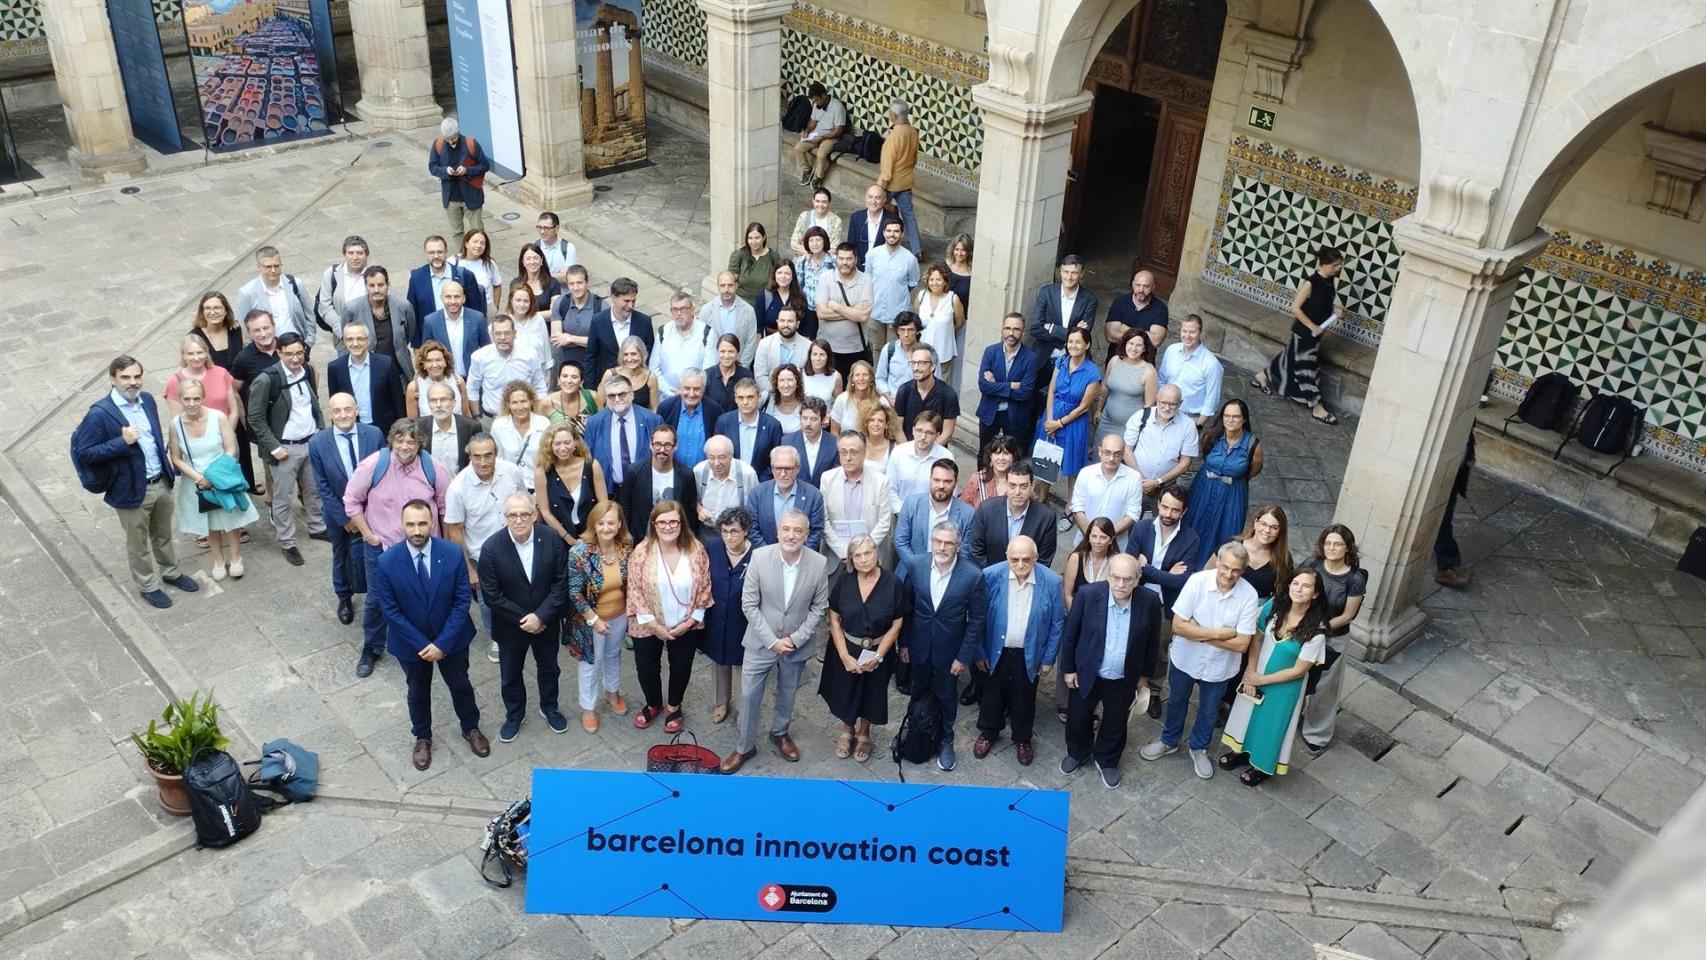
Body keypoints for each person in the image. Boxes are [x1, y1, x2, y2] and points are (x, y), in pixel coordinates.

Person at [371, 499, 488, 771]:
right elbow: (390, 610)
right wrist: (424, 645)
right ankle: (422, 737)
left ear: (432, 522)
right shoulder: (387, 562)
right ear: (401, 525)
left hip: (452, 640)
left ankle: (470, 727)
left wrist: (442, 643)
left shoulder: (452, 553)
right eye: (410, 524)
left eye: (422, 523)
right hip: (411, 645)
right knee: (417, 691)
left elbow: (462, 601)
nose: (417, 530)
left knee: (460, 684)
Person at [71, 357, 196, 608]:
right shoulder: (99, 414)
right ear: (112, 380)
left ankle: (170, 572)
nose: (133, 382)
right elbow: (84, 453)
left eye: (137, 376)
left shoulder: (147, 400)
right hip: (131, 489)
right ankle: (148, 585)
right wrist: (121, 442)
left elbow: (153, 439)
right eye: (126, 377)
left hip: (160, 481)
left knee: (163, 534)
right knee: (138, 544)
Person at [721, 508, 832, 773]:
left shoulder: (819, 563)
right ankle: (745, 746)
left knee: (787, 692)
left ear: (806, 534)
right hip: (761, 641)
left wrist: (796, 639)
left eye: (798, 530)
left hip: (796, 644)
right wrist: (772, 641)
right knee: (748, 695)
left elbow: (819, 607)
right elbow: (749, 604)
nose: (791, 535)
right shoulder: (759, 557)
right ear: (778, 531)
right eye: (786, 529)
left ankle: (780, 732)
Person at [1139, 542, 1259, 780]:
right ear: (1218, 562)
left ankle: (1199, 747)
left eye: (1235, 570)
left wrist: (1198, 632)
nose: (1228, 574)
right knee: (1176, 701)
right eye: (1225, 567)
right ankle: (1169, 740)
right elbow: (1178, 626)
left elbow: (1242, 644)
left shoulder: (1249, 595)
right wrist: (1221, 634)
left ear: (1243, 570)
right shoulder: (1197, 582)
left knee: (1209, 710)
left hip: (1221, 667)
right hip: (1186, 659)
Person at [344, 420, 452, 678]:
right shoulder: (373, 465)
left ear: (419, 444)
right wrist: (368, 535)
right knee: (377, 600)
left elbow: (446, 507)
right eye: (400, 440)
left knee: (427, 594)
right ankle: (372, 648)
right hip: (383, 547)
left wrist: (445, 545)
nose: (405, 446)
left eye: (411, 441)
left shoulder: (433, 467)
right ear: (391, 440)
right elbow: (351, 501)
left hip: (424, 546)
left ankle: (427, 640)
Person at [1059, 554, 1164, 788]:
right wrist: (1068, 669)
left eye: (1128, 579)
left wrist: (1144, 676)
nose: (1121, 584)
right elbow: (1071, 634)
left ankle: (1107, 760)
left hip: (1124, 677)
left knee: (1116, 722)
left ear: (1137, 579)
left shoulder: (1149, 601)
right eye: (1116, 577)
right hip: (1088, 673)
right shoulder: (1087, 595)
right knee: (1078, 717)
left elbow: (1152, 642)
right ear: (1108, 575)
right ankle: (1078, 752)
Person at [1221, 567, 1329, 786]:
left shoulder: (1317, 630)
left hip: (1285, 687)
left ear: (1315, 593)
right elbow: (1257, 638)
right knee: (1245, 714)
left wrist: (1261, 681)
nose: (1299, 589)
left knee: (1271, 725)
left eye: (1306, 586)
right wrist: (1251, 672)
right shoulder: (1274, 605)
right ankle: (1240, 751)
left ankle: (1261, 765)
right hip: (1257, 671)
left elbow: (1299, 670)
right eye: (1295, 583)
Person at [479, 492, 571, 741]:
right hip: (510, 627)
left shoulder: (551, 539)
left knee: (550, 669)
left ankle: (549, 707)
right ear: (505, 516)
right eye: (513, 515)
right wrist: (527, 619)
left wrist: (541, 616)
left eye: (524, 514)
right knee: (510, 674)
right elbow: (492, 596)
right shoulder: (491, 548)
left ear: (534, 514)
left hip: (546, 623)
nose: (518, 520)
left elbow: (560, 583)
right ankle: (514, 715)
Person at [971, 536, 1064, 768]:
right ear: (1006, 556)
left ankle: (1022, 738)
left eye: (1026, 559)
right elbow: (977, 618)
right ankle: (988, 732)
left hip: (1029, 652)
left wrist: (1048, 658)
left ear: (1036, 557)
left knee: (1025, 697)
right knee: (991, 693)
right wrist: (979, 651)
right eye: (1014, 559)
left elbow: (1057, 624)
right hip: (996, 649)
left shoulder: (1052, 581)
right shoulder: (990, 575)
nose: (1020, 565)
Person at [900, 522, 986, 771]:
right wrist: (904, 644)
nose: (942, 547)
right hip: (919, 646)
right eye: (938, 541)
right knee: (917, 690)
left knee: (947, 696)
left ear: (958, 546)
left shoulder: (972, 575)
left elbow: (977, 620)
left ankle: (946, 739)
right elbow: (907, 608)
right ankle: (914, 730)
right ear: (932, 542)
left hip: (951, 652)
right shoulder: (916, 565)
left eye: (948, 543)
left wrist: (964, 657)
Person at [627, 501, 713, 733]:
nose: (668, 526)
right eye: (662, 522)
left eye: (673, 521)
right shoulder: (642, 551)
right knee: (646, 669)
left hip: (686, 624)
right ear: (654, 524)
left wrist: (690, 622)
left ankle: (674, 706)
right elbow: (634, 589)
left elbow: (705, 587)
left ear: (681, 523)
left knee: (681, 667)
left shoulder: (695, 549)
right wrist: (655, 626)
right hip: (648, 623)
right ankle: (653, 703)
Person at [445, 432, 531, 665]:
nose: (483, 462)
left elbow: (524, 501)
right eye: (477, 456)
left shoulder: (511, 471)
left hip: (517, 545)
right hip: (482, 556)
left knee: (521, 589)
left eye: (488, 455)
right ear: (469, 456)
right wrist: (468, 569)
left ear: (495, 454)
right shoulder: (457, 488)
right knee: (488, 602)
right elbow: (455, 531)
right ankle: (497, 639)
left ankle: (523, 626)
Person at [820, 533, 908, 761]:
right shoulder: (844, 581)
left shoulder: (893, 582)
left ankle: (864, 733)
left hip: (878, 650)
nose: (863, 559)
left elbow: (897, 623)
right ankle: (847, 729)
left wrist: (878, 656)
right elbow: (834, 617)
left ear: (876, 553)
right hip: (847, 647)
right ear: (851, 559)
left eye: (867, 553)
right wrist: (843, 655)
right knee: (846, 690)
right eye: (857, 555)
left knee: (871, 693)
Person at [246, 332, 327, 565]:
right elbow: (255, 418)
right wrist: (274, 447)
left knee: (313, 490)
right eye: (289, 354)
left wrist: (320, 430)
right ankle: (287, 542)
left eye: (299, 353)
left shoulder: (307, 370)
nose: (295, 358)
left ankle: (317, 527)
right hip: (285, 449)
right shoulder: (266, 380)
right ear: (279, 353)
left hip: (311, 442)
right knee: (283, 499)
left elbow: (313, 403)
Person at [166, 377, 256, 580]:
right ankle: (218, 559)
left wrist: (212, 477)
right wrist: (199, 478)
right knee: (209, 522)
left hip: (221, 476)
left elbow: (230, 449)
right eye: (187, 399)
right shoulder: (176, 424)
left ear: (203, 398)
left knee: (231, 519)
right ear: (180, 399)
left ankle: (235, 558)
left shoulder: (218, 417)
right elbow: (176, 457)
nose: (191, 404)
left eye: (196, 398)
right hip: (196, 481)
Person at [1127, 483, 1202, 716]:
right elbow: (1130, 566)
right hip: (1137, 597)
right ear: (1158, 504)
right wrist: (1166, 574)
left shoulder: (1191, 539)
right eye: (1165, 507)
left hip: (1166, 604)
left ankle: (1154, 692)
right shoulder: (1141, 528)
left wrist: (1147, 569)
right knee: (1130, 641)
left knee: (1160, 651)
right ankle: (1127, 683)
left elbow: (1182, 582)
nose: (1168, 514)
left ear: (1184, 511)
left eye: (1175, 510)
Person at [308, 394, 384, 624]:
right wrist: (345, 517)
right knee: (341, 555)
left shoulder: (374, 434)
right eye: (337, 411)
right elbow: (322, 486)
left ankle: (381, 593)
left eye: (348, 409)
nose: (343, 415)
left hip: (372, 510)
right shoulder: (318, 444)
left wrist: (366, 513)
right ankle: (344, 596)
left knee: (379, 551)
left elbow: (383, 475)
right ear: (330, 414)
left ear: (357, 410)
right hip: (338, 514)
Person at [1251, 245, 1347, 425]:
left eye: (1339, 265)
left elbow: (1322, 303)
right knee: (1307, 369)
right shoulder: (1311, 283)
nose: (1338, 268)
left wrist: (1335, 310)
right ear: (1322, 263)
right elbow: (1295, 308)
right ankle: (1317, 407)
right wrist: (1312, 326)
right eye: (1335, 265)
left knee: (1288, 358)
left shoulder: (1329, 281)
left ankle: (1262, 376)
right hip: (1304, 334)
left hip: (1315, 334)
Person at [1300, 524, 1368, 753]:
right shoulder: (1312, 565)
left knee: (1324, 687)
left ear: (1348, 548)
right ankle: (1289, 717)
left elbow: (1348, 615)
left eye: (1337, 544)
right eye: (1328, 543)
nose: (1331, 548)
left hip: (1333, 638)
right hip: (1304, 632)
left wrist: (1320, 628)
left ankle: (1317, 734)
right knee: (1296, 677)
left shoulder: (1354, 579)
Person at [565, 501, 631, 732]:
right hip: (591, 619)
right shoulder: (579, 553)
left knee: (613, 655)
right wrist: (594, 620)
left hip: (620, 615)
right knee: (591, 663)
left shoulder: (626, 549)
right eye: (601, 523)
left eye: (611, 523)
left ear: (619, 524)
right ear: (593, 524)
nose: (606, 528)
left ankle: (612, 692)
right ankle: (588, 707)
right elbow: (574, 592)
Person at [1184, 398, 1263, 567]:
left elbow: (1255, 468)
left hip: (1232, 492)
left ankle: (1216, 567)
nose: (1230, 420)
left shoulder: (1253, 445)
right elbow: (1206, 457)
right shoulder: (1211, 437)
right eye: (1227, 416)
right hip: (1205, 487)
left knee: (1226, 530)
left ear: (1244, 419)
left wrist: (1236, 478)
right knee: (1195, 522)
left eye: (1235, 416)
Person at [1034, 327, 1102, 506]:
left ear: (1087, 345)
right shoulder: (1061, 361)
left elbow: (1084, 407)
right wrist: (1050, 420)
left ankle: (1071, 506)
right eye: (1070, 341)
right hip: (1052, 414)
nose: (1073, 345)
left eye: (1078, 342)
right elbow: (1051, 391)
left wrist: (1059, 424)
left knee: (1073, 466)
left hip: (1073, 422)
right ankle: (1042, 498)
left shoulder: (1093, 373)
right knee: (1047, 458)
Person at [1026, 254, 1097, 423]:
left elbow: (1083, 336)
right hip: (1043, 357)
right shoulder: (1047, 292)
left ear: (1081, 274)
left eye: (1074, 272)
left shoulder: (1089, 300)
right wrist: (1070, 334)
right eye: (1066, 272)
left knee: (1067, 401)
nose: (1069, 277)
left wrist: (1052, 328)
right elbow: (1035, 327)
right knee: (1031, 400)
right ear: (1060, 272)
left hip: (1071, 360)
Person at [699, 507, 754, 724]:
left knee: (742, 664)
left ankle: (743, 707)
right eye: (724, 531)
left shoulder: (757, 554)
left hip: (743, 620)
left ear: (745, 531)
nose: (729, 537)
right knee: (718, 660)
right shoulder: (713, 546)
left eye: (734, 531)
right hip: (717, 616)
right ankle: (720, 702)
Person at [1122, 384, 1199, 514]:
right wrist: (1141, 479)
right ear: (1157, 398)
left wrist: (1158, 482)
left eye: (1172, 404)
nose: (1167, 408)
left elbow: (1185, 463)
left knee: (1163, 521)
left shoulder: (1188, 425)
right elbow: (1126, 450)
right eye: (1163, 402)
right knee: (1128, 518)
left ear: (1180, 403)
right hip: (1135, 482)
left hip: (1166, 487)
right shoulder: (1141, 416)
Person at [820, 430, 895, 564]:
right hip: (836, 558)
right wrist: (844, 552)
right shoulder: (827, 479)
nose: (848, 457)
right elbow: (824, 522)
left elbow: (884, 523)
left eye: (853, 452)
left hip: (870, 558)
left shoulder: (880, 481)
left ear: (864, 453)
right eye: (843, 452)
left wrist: (863, 551)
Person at [968, 460, 1058, 568]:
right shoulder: (986, 510)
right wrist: (996, 576)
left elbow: (1043, 561)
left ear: (1032, 486)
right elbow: (976, 552)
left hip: (1026, 576)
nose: (1017, 492)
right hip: (990, 576)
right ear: (1006, 485)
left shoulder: (1046, 518)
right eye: (1012, 486)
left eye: (1023, 486)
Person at [584, 377, 662, 501]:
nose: (617, 399)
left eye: (622, 394)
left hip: (644, 491)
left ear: (632, 394)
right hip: (609, 493)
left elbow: (661, 457)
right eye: (611, 396)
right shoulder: (594, 423)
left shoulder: (652, 420)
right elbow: (588, 460)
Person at [618, 423, 699, 543]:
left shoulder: (686, 475)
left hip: (675, 539)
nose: (662, 450)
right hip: (642, 538)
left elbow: (690, 513)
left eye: (667, 445)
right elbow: (625, 507)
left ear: (675, 446)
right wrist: (626, 536)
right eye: (657, 444)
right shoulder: (634, 471)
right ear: (650, 445)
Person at [535, 422, 606, 548]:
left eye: (567, 442)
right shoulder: (542, 472)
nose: (563, 448)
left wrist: (591, 535)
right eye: (557, 444)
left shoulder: (592, 466)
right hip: (557, 537)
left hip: (592, 535)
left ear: (575, 443)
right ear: (550, 445)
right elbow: (545, 512)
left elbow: (604, 505)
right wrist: (570, 540)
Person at [234, 246, 316, 353]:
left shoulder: (295, 284)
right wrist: (255, 351)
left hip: (296, 347)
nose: (273, 270)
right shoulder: (247, 293)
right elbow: (243, 327)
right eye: (268, 267)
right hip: (266, 351)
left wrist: (308, 342)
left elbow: (309, 314)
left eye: (276, 266)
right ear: (259, 267)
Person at [340, 265, 417, 380]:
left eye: (380, 285)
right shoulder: (352, 309)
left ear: (388, 285)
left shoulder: (403, 306)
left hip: (398, 373)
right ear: (366, 286)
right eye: (372, 285)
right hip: (367, 374)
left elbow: (408, 333)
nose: (376, 290)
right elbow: (346, 338)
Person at [1069, 434, 1144, 550]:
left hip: (1116, 546)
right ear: (1100, 452)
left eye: (1116, 454)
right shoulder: (1086, 473)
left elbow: (1133, 514)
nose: (1111, 458)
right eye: (1107, 453)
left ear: (1123, 454)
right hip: (1084, 541)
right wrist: (1091, 536)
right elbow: (1077, 508)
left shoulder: (1134, 478)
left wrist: (1107, 536)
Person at [894, 458, 972, 569]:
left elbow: (964, 553)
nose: (941, 486)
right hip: (911, 571)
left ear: (956, 483)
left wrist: (943, 571)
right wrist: (920, 568)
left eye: (947, 481)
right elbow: (900, 542)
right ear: (930, 479)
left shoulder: (968, 514)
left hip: (949, 574)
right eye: (936, 480)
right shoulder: (911, 504)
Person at [327, 323, 406, 431]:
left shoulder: (386, 363)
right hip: (352, 429)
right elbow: (334, 403)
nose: (355, 343)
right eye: (350, 339)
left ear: (368, 340)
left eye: (360, 339)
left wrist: (401, 428)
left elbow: (398, 400)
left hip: (385, 429)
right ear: (344, 341)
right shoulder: (335, 368)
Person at [469, 315, 548, 420]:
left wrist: (539, 415)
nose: (502, 338)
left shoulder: (530, 355)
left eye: (507, 333)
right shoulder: (479, 357)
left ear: (514, 334)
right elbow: (472, 388)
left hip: (524, 418)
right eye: (498, 333)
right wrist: (477, 417)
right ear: (492, 335)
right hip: (491, 419)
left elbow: (539, 386)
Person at [407, 235, 487, 338]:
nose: (436, 256)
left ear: (446, 252)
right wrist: (417, 343)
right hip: (431, 339)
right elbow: (412, 314)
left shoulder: (465, 276)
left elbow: (476, 312)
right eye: (431, 253)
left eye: (440, 252)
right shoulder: (416, 277)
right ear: (425, 254)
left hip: (461, 336)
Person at [746, 446, 825, 550]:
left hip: (801, 557)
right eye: (778, 468)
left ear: (798, 469)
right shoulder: (757, 494)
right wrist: (770, 555)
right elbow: (752, 529)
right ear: (772, 469)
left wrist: (797, 555)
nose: (783, 474)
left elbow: (816, 532)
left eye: (788, 469)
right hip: (766, 557)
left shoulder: (813, 496)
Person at [817, 243, 874, 378]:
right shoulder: (826, 278)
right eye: (841, 258)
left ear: (855, 259)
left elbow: (863, 316)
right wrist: (853, 311)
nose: (844, 263)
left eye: (849, 259)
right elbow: (821, 313)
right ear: (836, 259)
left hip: (856, 348)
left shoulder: (866, 280)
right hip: (828, 348)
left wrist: (837, 307)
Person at [864, 220, 919, 360]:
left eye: (896, 231)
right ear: (883, 233)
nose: (892, 234)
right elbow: (868, 280)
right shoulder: (872, 255)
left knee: (894, 351)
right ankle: (877, 374)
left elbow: (912, 283)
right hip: (875, 311)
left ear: (902, 234)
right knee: (876, 348)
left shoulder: (910, 259)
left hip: (897, 313)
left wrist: (896, 293)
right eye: (888, 231)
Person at [428, 116, 488, 244]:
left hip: (471, 195)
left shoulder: (471, 143)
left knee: (478, 232)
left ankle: (480, 255)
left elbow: (485, 165)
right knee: (457, 232)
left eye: (453, 138)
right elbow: (432, 167)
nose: (451, 142)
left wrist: (467, 170)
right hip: (451, 198)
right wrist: (445, 171)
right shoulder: (438, 144)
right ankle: (462, 255)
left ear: (458, 132)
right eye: (447, 139)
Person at [1094, 329, 1159, 444]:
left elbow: (1149, 405)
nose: (1134, 348)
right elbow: (1105, 387)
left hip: (1131, 428)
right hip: (1106, 422)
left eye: (1139, 345)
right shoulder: (1114, 361)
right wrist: (1098, 410)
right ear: (1125, 344)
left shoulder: (1149, 371)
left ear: (1144, 348)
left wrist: (1140, 428)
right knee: (1099, 453)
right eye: (1131, 343)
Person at [1158, 314, 1223, 426]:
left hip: (1189, 419)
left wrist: (1198, 425)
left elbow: (1211, 401)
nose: (1187, 336)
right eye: (1184, 331)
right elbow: (1162, 380)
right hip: (1165, 411)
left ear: (1201, 333)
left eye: (1192, 332)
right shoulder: (1171, 350)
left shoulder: (1211, 364)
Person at [714, 379, 783, 482]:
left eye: (750, 397)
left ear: (759, 397)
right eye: (741, 398)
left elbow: (775, 460)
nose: (745, 402)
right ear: (735, 398)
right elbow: (717, 453)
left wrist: (758, 483)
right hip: (729, 482)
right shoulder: (723, 422)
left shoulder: (772, 426)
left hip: (761, 484)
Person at [586, 277, 652, 386]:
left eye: (633, 301)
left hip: (636, 384)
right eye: (626, 301)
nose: (630, 306)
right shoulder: (598, 321)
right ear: (614, 298)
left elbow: (648, 356)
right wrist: (590, 390)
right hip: (608, 384)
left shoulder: (644, 322)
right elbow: (591, 358)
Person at [877, 99, 922, 256]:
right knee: (909, 216)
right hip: (906, 180)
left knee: (877, 212)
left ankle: (880, 244)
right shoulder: (913, 132)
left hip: (891, 183)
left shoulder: (893, 137)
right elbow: (914, 159)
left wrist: (881, 188)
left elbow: (887, 168)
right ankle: (917, 250)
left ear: (894, 116)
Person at [651, 293, 717, 401]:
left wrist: (689, 391)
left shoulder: (707, 333)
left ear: (692, 310)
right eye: (675, 309)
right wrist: (669, 391)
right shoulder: (663, 332)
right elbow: (654, 368)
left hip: (694, 398)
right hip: (666, 398)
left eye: (683, 309)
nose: (679, 313)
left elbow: (709, 370)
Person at [885, 411, 951, 518]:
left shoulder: (946, 457)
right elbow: (890, 487)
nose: (923, 437)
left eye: (929, 433)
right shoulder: (899, 452)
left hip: (932, 517)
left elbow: (949, 492)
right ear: (913, 430)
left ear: (937, 435)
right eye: (919, 431)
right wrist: (902, 513)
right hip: (901, 515)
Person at [163, 335, 240, 426]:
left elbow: (234, 411)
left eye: (199, 353)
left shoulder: (221, 373)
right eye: (190, 354)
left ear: (206, 353)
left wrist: (227, 432)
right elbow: (178, 421)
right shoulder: (175, 382)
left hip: (225, 430)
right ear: (183, 356)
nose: (196, 358)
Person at [894, 343, 961, 445]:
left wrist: (927, 452)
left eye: (921, 363)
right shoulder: (904, 391)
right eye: (913, 363)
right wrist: (909, 452)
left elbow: (947, 434)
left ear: (933, 366)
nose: (915, 368)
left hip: (936, 450)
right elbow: (898, 429)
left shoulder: (948, 394)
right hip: (908, 448)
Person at [420, 281, 489, 378]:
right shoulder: (430, 321)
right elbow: (426, 353)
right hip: (444, 379)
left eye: (457, 297)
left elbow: (487, 349)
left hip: (472, 378)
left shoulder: (477, 318)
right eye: (448, 297)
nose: (453, 301)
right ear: (441, 298)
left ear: (463, 298)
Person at [489, 381, 551, 490]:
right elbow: (496, 460)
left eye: (523, 401)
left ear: (531, 401)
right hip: (509, 488)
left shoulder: (544, 424)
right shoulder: (498, 426)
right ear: (508, 404)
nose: (520, 407)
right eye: (514, 402)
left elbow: (549, 459)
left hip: (539, 487)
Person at [656, 368, 720, 469]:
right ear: (680, 387)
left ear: (703, 389)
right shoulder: (666, 408)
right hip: (672, 471)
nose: (691, 393)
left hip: (704, 472)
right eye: (687, 388)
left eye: (696, 389)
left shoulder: (715, 410)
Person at [1104, 268, 1168, 364]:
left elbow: (1155, 341)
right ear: (1133, 284)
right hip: (1117, 360)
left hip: (1144, 364)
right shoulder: (1120, 302)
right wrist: (1144, 338)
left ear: (1153, 287)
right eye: (1138, 285)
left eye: (1146, 286)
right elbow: (1110, 336)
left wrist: (1124, 328)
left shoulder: (1160, 308)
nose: (1141, 290)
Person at [1434, 436, 1474, 589]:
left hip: (1453, 464)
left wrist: (1469, 452)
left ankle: (1446, 565)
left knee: (1443, 514)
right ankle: (1446, 568)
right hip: (1441, 466)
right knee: (1441, 517)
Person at [694, 434, 759, 527]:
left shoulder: (747, 474)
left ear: (731, 456)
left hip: (737, 530)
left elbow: (756, 506)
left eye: (722, 457)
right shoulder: (699, 471)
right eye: (711, 458)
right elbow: (692, 499)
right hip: (707, 528)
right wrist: (700, 509)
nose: (716, 463)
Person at [550, 264, 604, 376]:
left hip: (593, 366)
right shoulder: (560, 303)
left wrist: (569, 339)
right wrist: (587, 341)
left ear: (587, 282)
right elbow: (557, 340)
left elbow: (601, 341)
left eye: (579, 283)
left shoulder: (601, 306)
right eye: (571, 284)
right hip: (567, 367)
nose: (576, 287)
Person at [417, 380, 480, 475]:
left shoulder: (471, 427)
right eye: (433, 400)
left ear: (453, 403)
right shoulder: (419, 427)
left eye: (443, 400)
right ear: (428, 404)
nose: (438, 405)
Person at [914, 265, 964, 385]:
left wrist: (946, 331)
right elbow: (916, 319)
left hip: (944, 350)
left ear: (945, 281)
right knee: (921, 381)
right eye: (931, 279)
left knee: (941, 385)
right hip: (923, 349)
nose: (934, 283)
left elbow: (960, 322)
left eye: (938, 279)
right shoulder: (921, 296)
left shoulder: (953, 299)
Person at [315, 235, 371, 341]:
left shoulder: (373, 275)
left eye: (359, 253)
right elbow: (325, 306)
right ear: (344, 254)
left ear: (366, 255)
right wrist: (343, 332)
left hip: (369, 337)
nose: (355, 257)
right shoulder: (331, 274)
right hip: (343, 338)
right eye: (350, 253)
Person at [792, 81, 847, 188]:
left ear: (824, 96)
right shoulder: (817, 104)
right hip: (817, 134)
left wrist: (822, 138)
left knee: (821, 155)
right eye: (814, 100)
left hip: (831, 137)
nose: (815, 102)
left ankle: (818, 177)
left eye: (817, 99)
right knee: (798, 148)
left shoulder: (837, 107)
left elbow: (838, 131)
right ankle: (808, 170)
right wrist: (807, 131)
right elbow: (813, 121)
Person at [700, 272, 761, 367]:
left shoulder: (748, 311)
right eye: (722, 285)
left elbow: (751, 342)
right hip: (713, 366)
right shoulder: (706, 310)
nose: (726, 290)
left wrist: (741, 368)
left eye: (730, 285)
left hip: (738, 367)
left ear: (736, 286)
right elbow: (701, 340)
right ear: (718, 287)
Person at [875, 313, 931, 407]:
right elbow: (880, 378)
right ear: (897, 331)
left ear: (917, 331)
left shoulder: (927, 352)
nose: (906, 334)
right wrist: (889, 399)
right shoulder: (889, 349)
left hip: (919, 403)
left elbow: (936, 382)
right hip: (893, 401)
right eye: (902, 330)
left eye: (910, 330)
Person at [754, 306, 810, 398]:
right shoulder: (764, 344)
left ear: (797, 324)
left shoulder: (808, 346)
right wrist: (778, 393)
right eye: (782, 321)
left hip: (799, 398)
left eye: (790, 321)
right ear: (777, 322)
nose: (785, 325)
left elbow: (809, 378)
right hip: (772, 396)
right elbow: (760, 376)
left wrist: (795, 395)